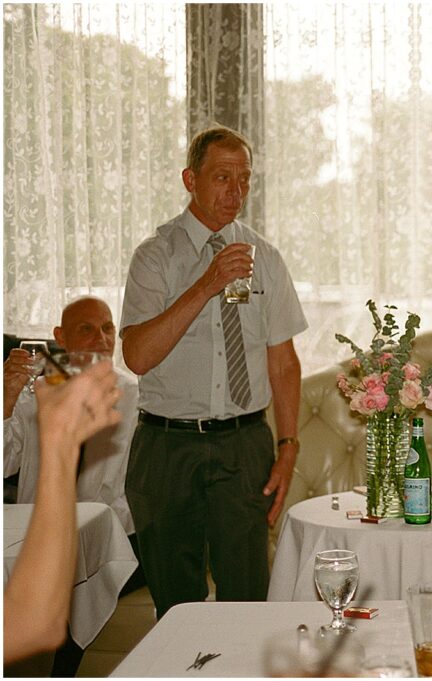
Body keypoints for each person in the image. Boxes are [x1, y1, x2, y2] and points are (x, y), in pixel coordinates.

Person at [120, 125, 307, 618]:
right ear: (191, 179)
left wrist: (287, 447)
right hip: (167, 448)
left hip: (243, 446)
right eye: (223, 177)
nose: (237, 191)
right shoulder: (154, 256)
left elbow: (283, 362)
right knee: (176, 610)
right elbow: (137, 355)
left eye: (245, 179)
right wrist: (207, 283)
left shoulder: (264, 256)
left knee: (246, 603)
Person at [4, 361, 122, 664]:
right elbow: (31, 625)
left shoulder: (130, 393)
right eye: (86, 330)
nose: (99, 341)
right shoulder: (30, 396)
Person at [4, 297, 139, 541]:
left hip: (106, 531)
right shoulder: (36, 389)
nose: (102, 338)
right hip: (35, 527)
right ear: (61, 337)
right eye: (86, 329)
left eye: (107, 328)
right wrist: (6, 399)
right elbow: (4, 464)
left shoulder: (135, 394)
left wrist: (112, 520)